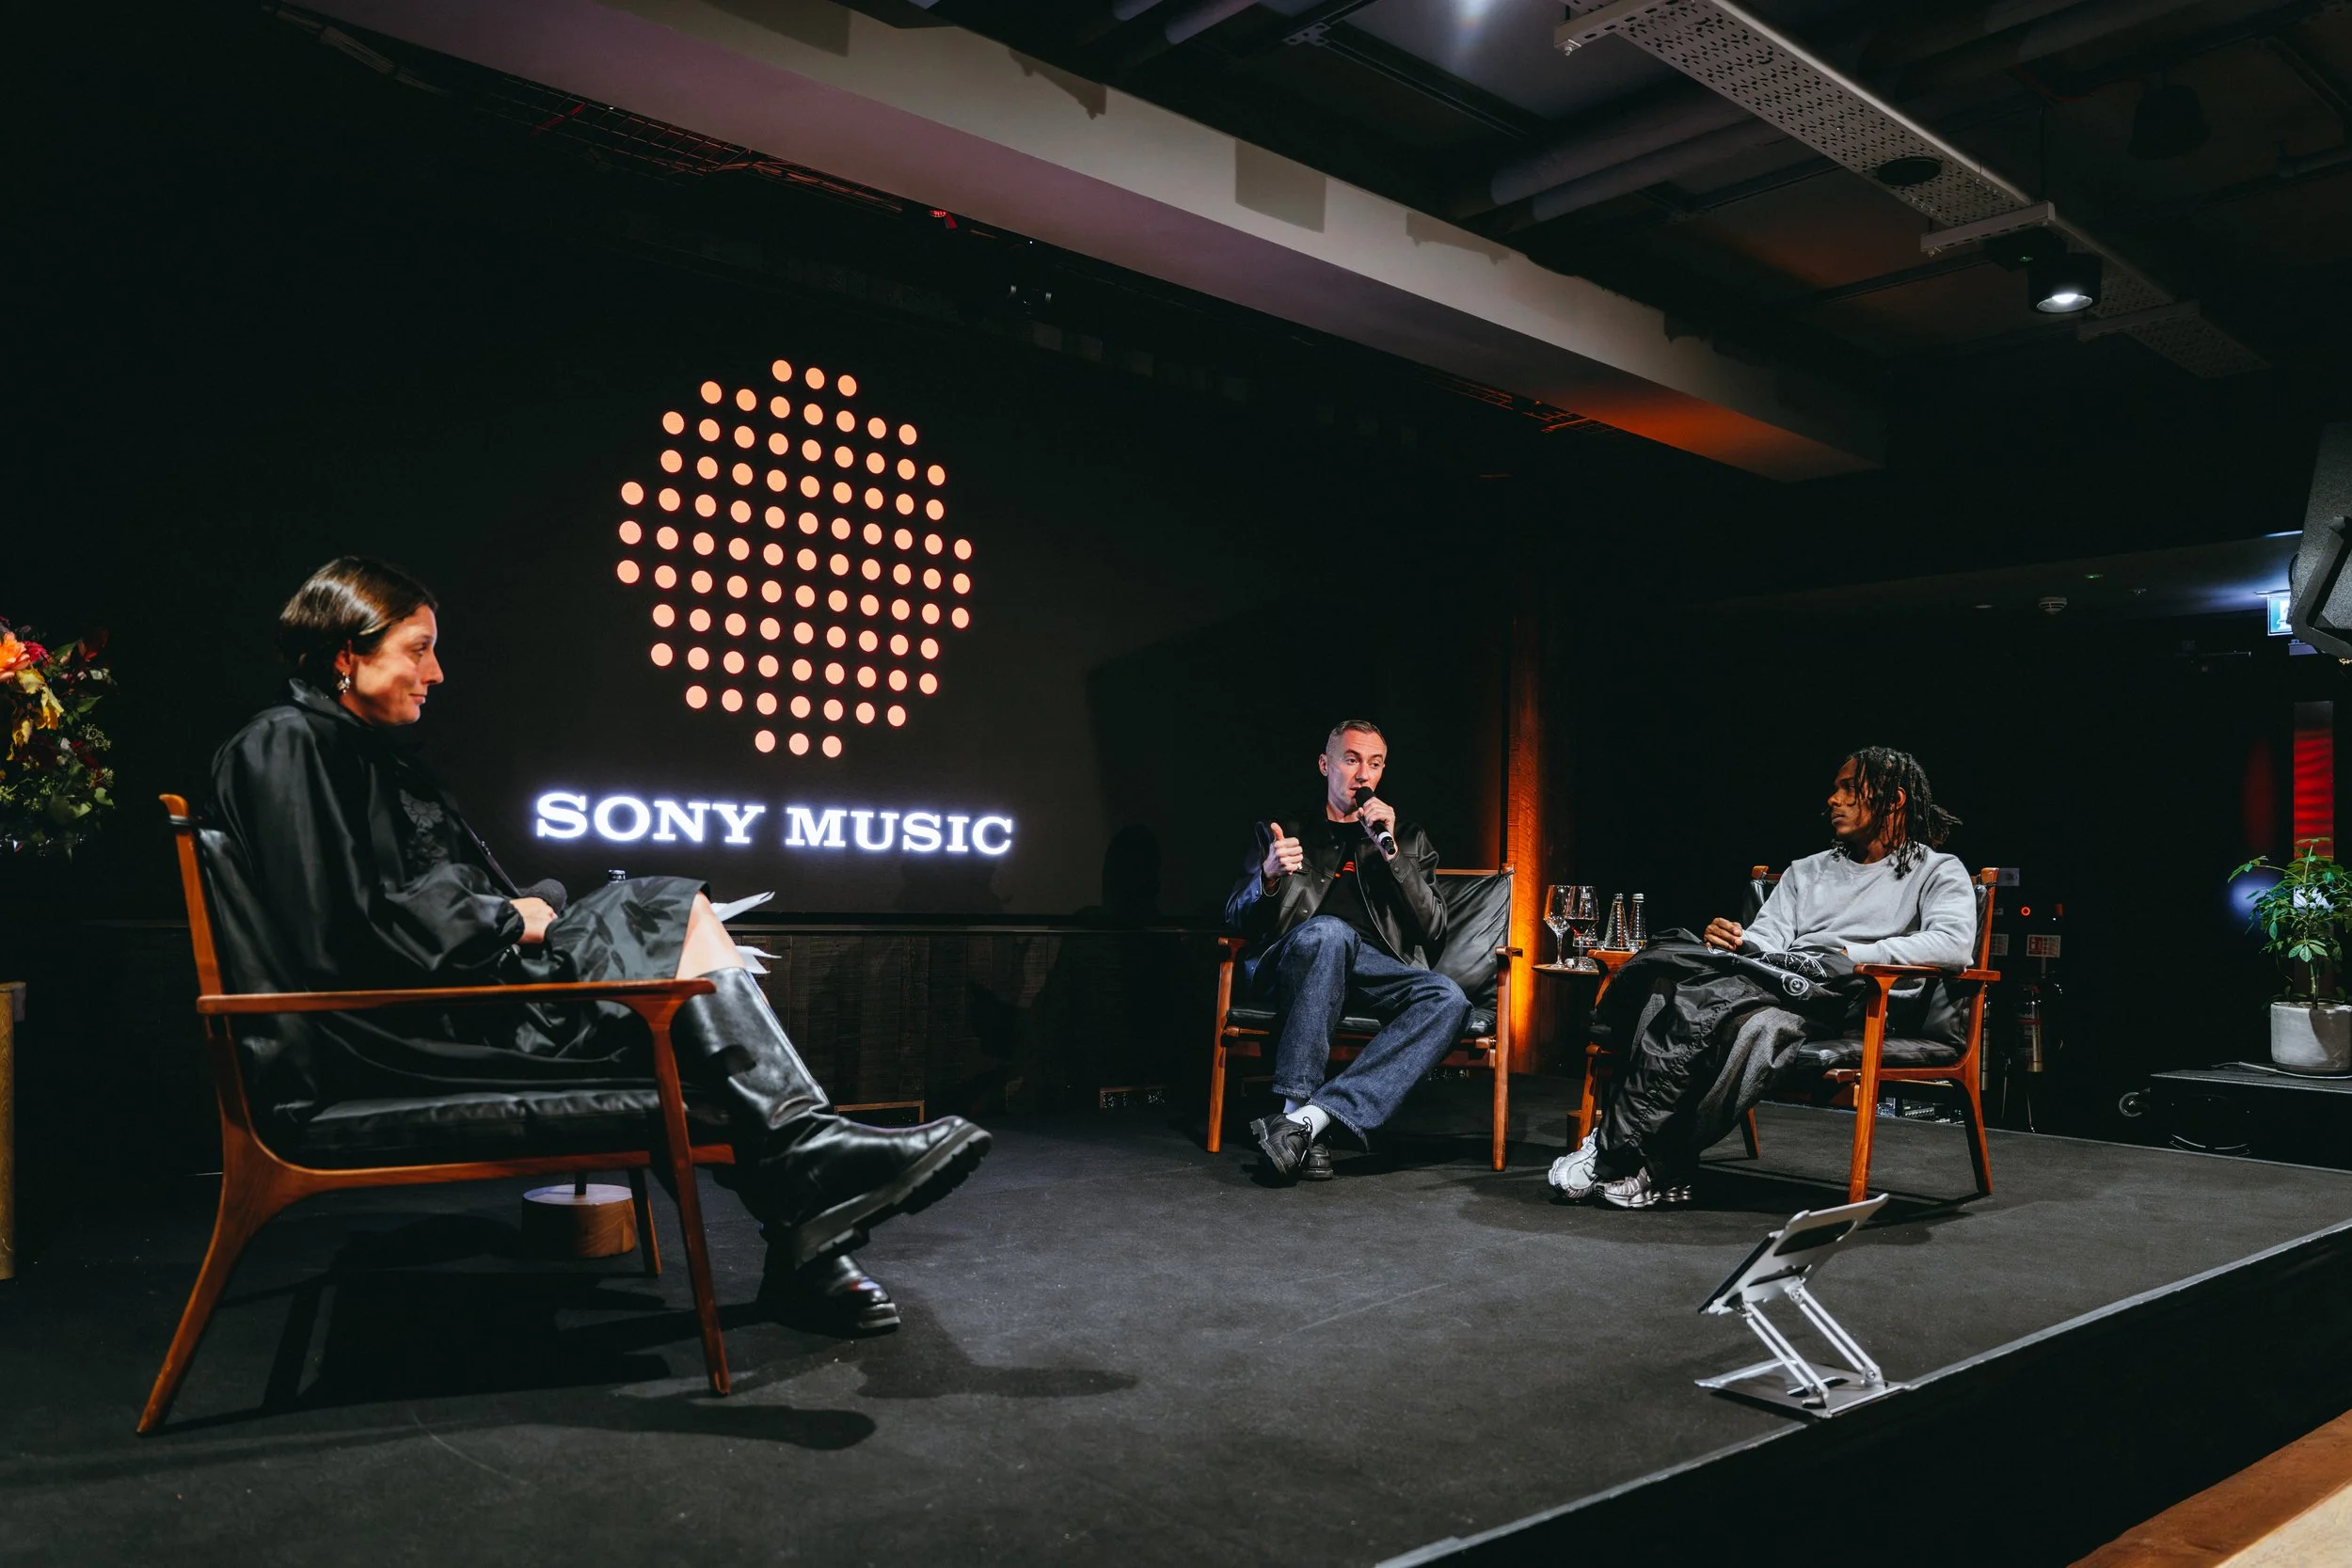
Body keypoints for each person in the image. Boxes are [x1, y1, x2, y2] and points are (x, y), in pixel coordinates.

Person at [208, 557, 990, 1333]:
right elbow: (339, 932)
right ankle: (812, 1202)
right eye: (419, 648)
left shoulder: (347, 749)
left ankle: (812, 1216)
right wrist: (512, 919)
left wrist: (526, 908)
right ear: (348, 652)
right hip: (404, 1029)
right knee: (667, 916)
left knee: (679, 970)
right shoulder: (286, 745)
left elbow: (399, 901)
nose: (437, 672)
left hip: (451, 998)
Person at [1550, 747, 1977, 1210]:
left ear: (1894, 799)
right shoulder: (1807, 871)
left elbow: (1953, 945)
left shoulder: (1937, 870)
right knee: (1675, 987)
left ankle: (1629, 1152)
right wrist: (1736, 941)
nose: (1833, 799)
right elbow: (1767, 938)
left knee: (1756, 1028)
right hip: (1784, 987)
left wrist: (1851, 956)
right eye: (1835, 788)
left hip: (1859, 1004)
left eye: (1849, 789)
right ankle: (1646, 1159)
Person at [1224, 721, 1470, 1181]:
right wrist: (1269, 877)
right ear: (1325, 765)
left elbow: (1435, 928)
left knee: (1449, 999)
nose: (1364, 774)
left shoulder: (1407, 839)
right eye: (1352, 759)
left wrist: (1395, 858)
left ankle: (1305, 1123)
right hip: (1297, 959)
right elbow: (1235, 917)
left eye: (1374, 764)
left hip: (1373, 970)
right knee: (1331, 933)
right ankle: (1296, 1103)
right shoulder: (1286, 830)